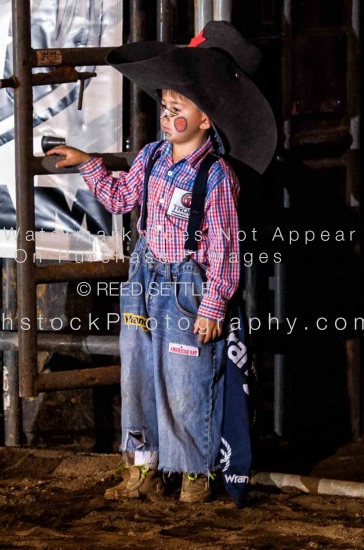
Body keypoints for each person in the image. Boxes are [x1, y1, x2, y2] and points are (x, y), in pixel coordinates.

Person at [46, 21, 276, 504]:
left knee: (186, 375)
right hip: (145, 275)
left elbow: (225, 248)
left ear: (206, 119)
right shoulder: (150, 157)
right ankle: (143, 463)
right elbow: (121, 196)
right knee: (137, 368)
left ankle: (194, 470)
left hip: (188, 285)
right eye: (165, 104)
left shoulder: (216, 178)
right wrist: (89, 161)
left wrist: (214, 305)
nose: (167, 112)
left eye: (178, 107)